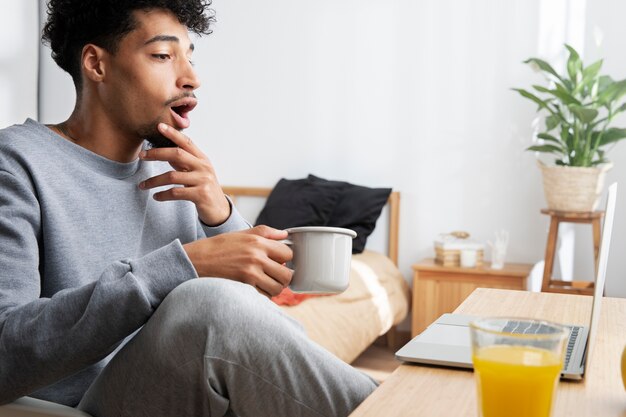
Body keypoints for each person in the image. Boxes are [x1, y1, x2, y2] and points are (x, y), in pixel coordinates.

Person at [0, 1, 377, 416]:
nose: (192, 78)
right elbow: (5, 350)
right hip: (74, 407)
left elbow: (256, 335)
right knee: (208, 307)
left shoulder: (175, 170)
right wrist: (185, 264)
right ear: (96, 64)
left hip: (181, 395)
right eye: (163, 56)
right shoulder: (17, 164)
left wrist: (220, 215)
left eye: (190, 57)